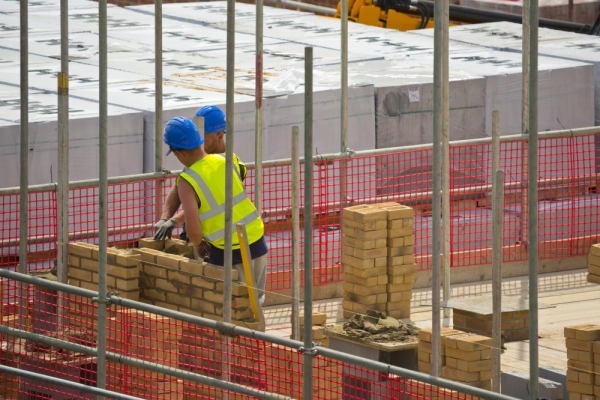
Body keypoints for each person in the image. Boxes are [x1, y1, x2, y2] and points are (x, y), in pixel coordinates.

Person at [162, 116, 269, 312]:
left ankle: (238, 342)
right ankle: (259, 339)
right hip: (257, 241)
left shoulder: (187, 181)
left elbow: (194, 230)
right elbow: (220, 200)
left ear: (177, 153)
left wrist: (198, 244)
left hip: (231, 251)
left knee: (234, 309)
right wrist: (173, 219)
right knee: (256, 302)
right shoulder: (228, 159)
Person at [154, 105, 247, 242]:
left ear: (219, 136)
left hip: (219, 239)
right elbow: (180, 186)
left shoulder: (230, 164)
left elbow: (206, 205)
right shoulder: (200, 158)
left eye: (203, 136)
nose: (198, 142)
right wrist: (165, 217)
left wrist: (174, 221)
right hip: (196, 234)